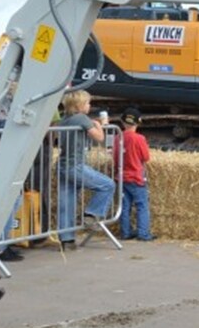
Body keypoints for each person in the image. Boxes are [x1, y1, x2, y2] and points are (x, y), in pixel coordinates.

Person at [53, 89, 114, 247]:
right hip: (75, 165)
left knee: (66, 203)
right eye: (87, 103)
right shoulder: (81, 118)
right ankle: (91, 214)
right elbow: (99, 138)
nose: (89, 105)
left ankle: (67, 239)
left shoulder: (65, 119)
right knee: (107, 184)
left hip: (62, 165)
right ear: (79, 105)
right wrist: (100, 125)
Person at [113, 108, 156, 242]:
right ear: (138, 123)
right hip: (136, 177)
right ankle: (143, 233)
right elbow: (146, 157)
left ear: (122, 122)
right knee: (142, 205)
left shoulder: (117, 137)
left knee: (124, 206)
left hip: (121, 177)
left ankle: (125, 232)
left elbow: (114, 157)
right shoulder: (139, 138)